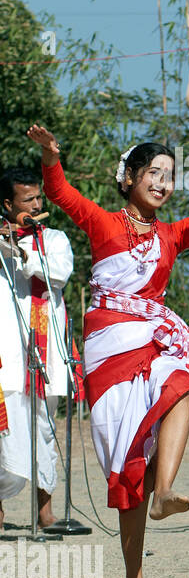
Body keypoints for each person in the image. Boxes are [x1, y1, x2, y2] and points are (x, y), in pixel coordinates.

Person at [26, 124, 189, 578]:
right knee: (125, 464)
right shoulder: (103, 223)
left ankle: (164, 492)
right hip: (108, 345)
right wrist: (51, 155)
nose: (164, 183)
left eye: (171, 176)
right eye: (154, 173)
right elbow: (59, 192)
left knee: (181, 385)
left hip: (154, 337)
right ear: (129, 179)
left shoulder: (172, 233)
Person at [0, 166, 74, 529]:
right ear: (7, 205)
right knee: (4, 434)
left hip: (45, 359)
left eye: (39, 198)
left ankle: (45, 513)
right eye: (27, 200)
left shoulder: (54, 239)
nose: (36, 204)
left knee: (44, 431)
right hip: (7, 359)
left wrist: (22, 251)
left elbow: (58, 274)